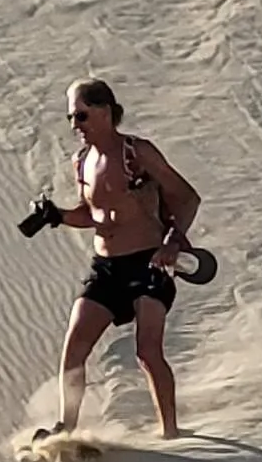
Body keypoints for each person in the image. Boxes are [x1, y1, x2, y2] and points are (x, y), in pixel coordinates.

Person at [33, 79, 202, 438]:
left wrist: (173, 242)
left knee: (147, 351)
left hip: (148, 262)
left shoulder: (137, 153)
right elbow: (91, 214)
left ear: (106, 112)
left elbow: (187, 197)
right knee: (75, 345)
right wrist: (58, 215)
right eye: (71, 118)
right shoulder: (82, 161)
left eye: (81, 116)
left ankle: (171, 433)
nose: (74, 126)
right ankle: (66, 428)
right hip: (106, 268)